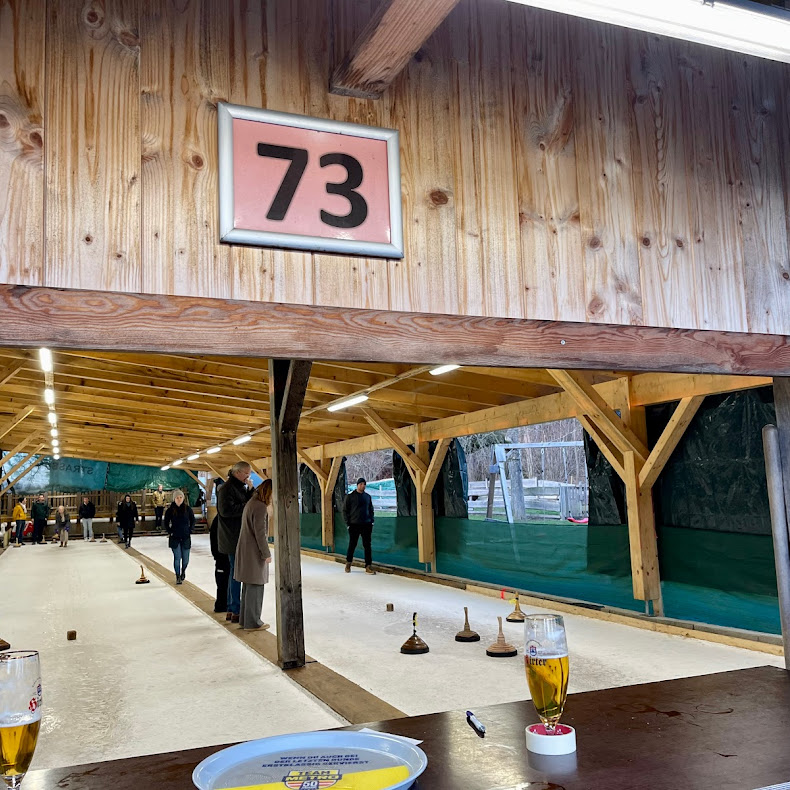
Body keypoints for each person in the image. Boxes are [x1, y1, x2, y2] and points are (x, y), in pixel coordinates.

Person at [217, 461, 254, 623]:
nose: (248, 476)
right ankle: (234, 608)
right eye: (246, 473)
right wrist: (248, 506)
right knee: (236, 573)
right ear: (237, 472)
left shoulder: (239, 487)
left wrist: (251, 491)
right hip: (233, 538)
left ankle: (233, 609)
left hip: (237, 536)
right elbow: (226, 511)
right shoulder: (226, 489)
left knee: (236, 572)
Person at [235, 479, 273, 631]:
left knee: (248, 586)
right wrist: (266, 553)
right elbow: (260, 533)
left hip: (246, 550)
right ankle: (253, 622)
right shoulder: (260, 507)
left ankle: (245, 620)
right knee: (256, 586)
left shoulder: (252, 503)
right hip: (254, 552)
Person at [343, 477, 376, 575]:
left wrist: (371, 521)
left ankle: (368, 565)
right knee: (352, 544)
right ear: (357, 485)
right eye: (361, 484)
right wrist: (348, 523)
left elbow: (371, 509)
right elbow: (345, 511)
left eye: (364, 484)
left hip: (366, 524)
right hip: (354, 524)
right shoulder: (350, 497)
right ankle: (348, 563)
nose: (363, 486)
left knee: (367, 546)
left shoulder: (367, 497)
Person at [164, 489, 194, 584]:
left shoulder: (188, 509)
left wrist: (190, 530)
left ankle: (183, 571)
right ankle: (177, 575)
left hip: (185, 537)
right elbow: (165, 522)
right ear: (174, 499)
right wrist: (170, 532)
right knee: (177, 557)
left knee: (185, 559)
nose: (179, 499)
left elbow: (193, 520)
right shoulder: (170, 510)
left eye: (181, 497)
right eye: (177, 497)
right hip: (175, 537)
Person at [209, 514, 229, 613]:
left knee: (224, 581)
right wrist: (216, 554)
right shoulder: (218, 520)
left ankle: (224, 604)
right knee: (223, 581)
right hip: (222, 556)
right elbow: (213, 537)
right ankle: (222, 604)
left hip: (224, 556)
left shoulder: (218, 519)